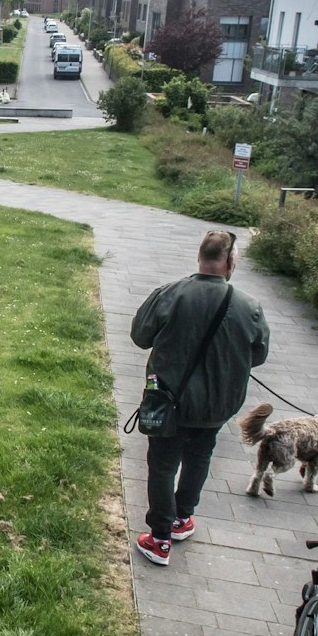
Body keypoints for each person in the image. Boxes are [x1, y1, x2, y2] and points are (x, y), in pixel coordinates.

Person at [129, 230, 270, 566]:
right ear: (230, 262)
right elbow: (259, 354)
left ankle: (159, 539)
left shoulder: (170, 294)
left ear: (200, 256)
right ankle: (181, 519)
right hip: (216, 406)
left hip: (169, 401)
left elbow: (139, 336)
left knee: (163, 465)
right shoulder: (250, 307)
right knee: (200, 456)